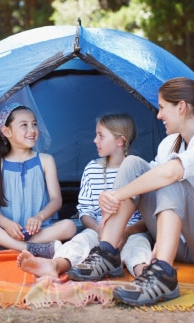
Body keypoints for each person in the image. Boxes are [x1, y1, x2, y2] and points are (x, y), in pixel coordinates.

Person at [67, 77, 194, 307]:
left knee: (171, 176)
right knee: (132, 164)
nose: (158, 115)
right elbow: (143, 177)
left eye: (162, 108)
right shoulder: (169, 143)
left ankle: (163, 274)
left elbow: (170, 174)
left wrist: (117, 195)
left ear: (181, 107)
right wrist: (111, 194)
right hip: (182, 244)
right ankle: (108, 250)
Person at [17, 113, 152, 279]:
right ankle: (54, 265)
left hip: (131, 232)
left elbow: (149, 217)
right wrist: (99, 230)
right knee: (80, 242)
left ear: (120, 141)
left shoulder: (138, 170)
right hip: (98, 231)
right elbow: (85, 211)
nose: (95, 140)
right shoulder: (91, 169)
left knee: (139, 246)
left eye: (101, 136)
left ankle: (145, 274)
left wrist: (127, 231)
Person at [0, 103, 76, 259]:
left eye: (34, 124)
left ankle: (1, 244)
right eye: (24, 125)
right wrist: (5, 224)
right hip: (7, 229)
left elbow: (56, 200)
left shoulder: (46, 161)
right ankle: (32, 248)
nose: (32, 130)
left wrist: (39, 217)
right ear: (7, 131)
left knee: (69, 227)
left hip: (39, 230)